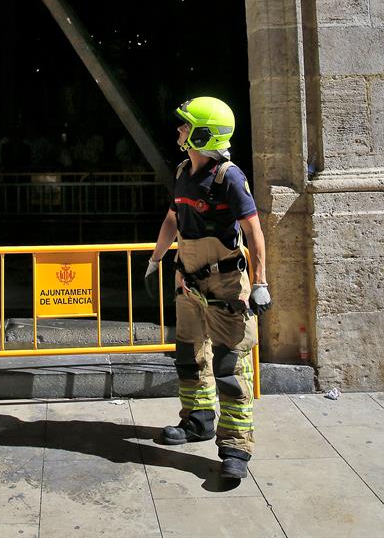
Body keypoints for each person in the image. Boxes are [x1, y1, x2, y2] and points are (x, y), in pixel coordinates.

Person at [144, 95, 271, 481]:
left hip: (226, 282)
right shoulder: (184, 171)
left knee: (231, 367)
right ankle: (197, 420)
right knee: (190, 356)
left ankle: (235, 447)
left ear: (202, 134)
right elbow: (173, 219)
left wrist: (261, 282)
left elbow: (253, 230)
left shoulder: (229, 178)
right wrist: (157, 258)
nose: (180, 131)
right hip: (189, 279)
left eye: (186, 126)